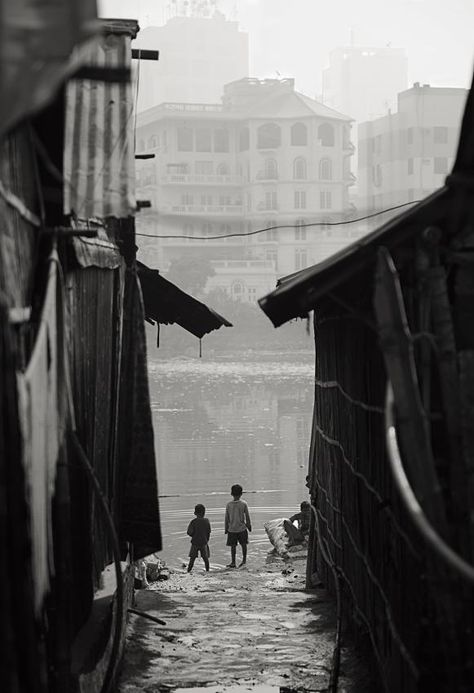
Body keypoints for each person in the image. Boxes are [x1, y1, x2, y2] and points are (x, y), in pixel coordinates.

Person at [225, 483, 252, 568]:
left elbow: (227, 518)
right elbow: (247, 516)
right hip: (242, 528)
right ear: (241, 494)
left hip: (232, 529)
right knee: (244, 545)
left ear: (231, 494)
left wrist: (226, 528)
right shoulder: (243, 504)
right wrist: (249, 525)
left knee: (233, 546)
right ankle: (244, 560)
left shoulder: (229, 505)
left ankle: (233, 562)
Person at [187, 503, 211, 573]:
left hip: (195, 542)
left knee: (192, 559)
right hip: (204, 542)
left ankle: (188, 571)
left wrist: (194, 535)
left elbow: (189, 532)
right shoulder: (207, 521)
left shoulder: (193, 522)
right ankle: (207, 571)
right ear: (204, 512)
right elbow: (208, 532)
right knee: (205, 559)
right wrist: (206, 540)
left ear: (195, 513)